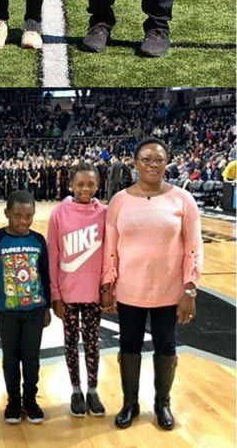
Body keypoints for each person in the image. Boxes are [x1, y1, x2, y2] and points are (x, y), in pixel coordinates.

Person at [100, 138, 202, 430]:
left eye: (159, 159)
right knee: (129, 346)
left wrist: (190, 288)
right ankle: (129, 403)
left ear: (166, 163)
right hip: (129, 290)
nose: (153, 164)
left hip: (169, 292)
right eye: (146, 159)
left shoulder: (183, 200)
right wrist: (108, 284)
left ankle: (162, 404)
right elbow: (111, 246)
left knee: (166, 347)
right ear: (135, 162)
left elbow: (193, 246)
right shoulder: (119, 201)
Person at [47, 162, 107, 418]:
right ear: (71, 184)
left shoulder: (105, 213)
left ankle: (92, 389)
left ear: (98, 184)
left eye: (91, 184)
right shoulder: (59, 213)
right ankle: (75, 390)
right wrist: (55, 294)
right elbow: (52, 255)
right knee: (71, 343)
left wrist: (107, 286)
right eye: (80, 184)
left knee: (92, 343)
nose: (85, 188)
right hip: (68, 293)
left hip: (94, 292)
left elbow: (109, 254)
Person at [0, 191, 52, 425]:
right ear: (7, 214)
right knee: (11, 358)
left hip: (35, 311)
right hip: (7, 312)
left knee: (32, 358)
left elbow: (45, 276)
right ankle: (13, 401)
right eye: (17, 216)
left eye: (29, 216)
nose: (23, 221)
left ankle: (31, 400)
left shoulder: (38, 240)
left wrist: (48, 307)